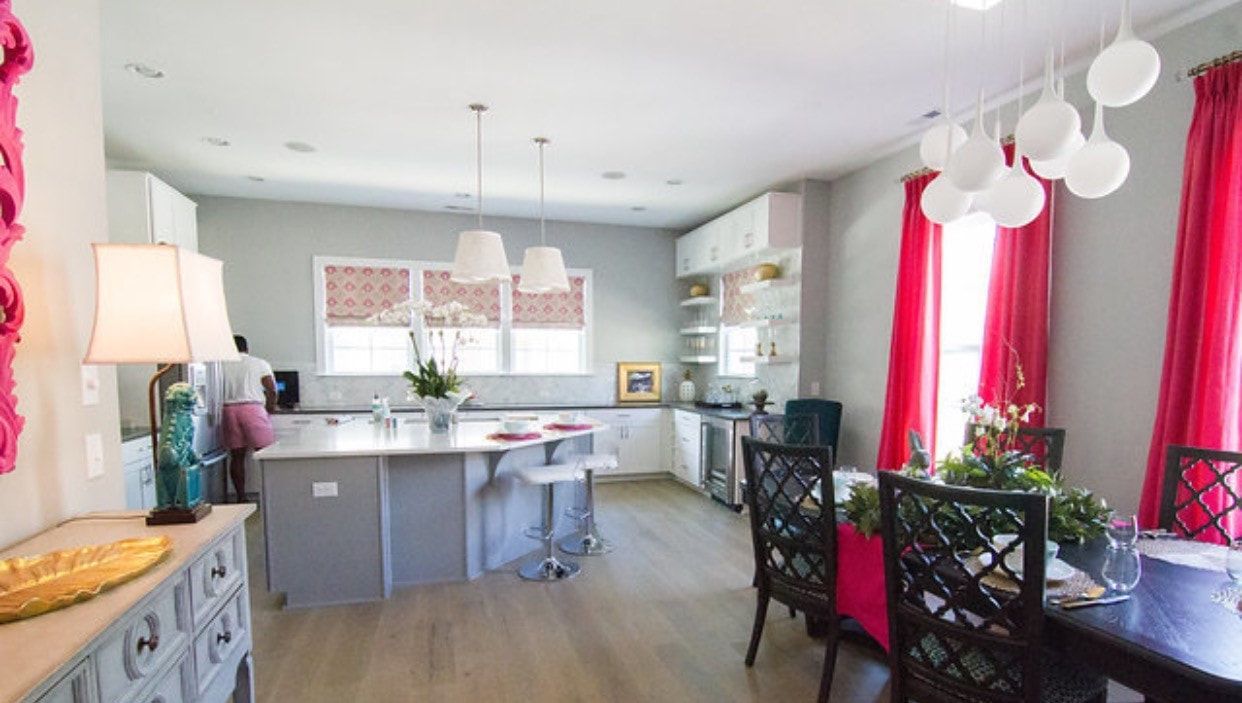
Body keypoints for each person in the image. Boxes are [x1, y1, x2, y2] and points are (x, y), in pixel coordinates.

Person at [221, 335, 277, 502]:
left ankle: (241, 498)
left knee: (237, 456)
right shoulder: (258, 363)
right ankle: (271, 497)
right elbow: (271, 390)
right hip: (252, 408)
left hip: (228, 410)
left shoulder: (221, 365)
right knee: (267, 454)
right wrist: (269, 409)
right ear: (247, 348)